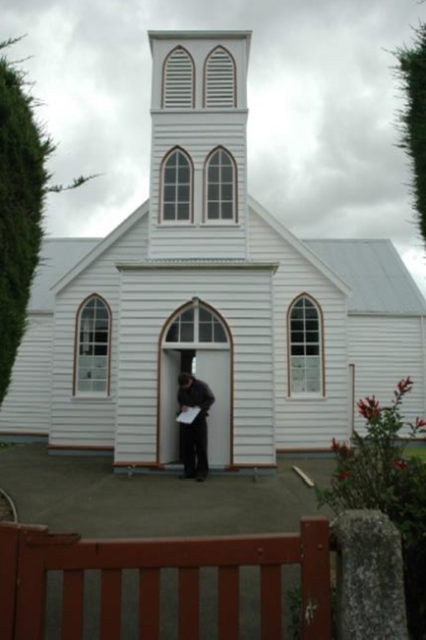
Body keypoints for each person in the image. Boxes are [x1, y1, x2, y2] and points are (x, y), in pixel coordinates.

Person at [177, 372, 215, 482]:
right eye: (182, 386)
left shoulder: (202, 385)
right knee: (187, 447)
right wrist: (182, 407)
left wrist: (200, 407)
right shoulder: (181, 388)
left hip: (199, 419)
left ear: (190, 380)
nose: (184, 388)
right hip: (186, 420)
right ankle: (189, 472)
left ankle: (202, 472)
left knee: (201, 446)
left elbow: (211, 399)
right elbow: (180, 400)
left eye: (186, 385)